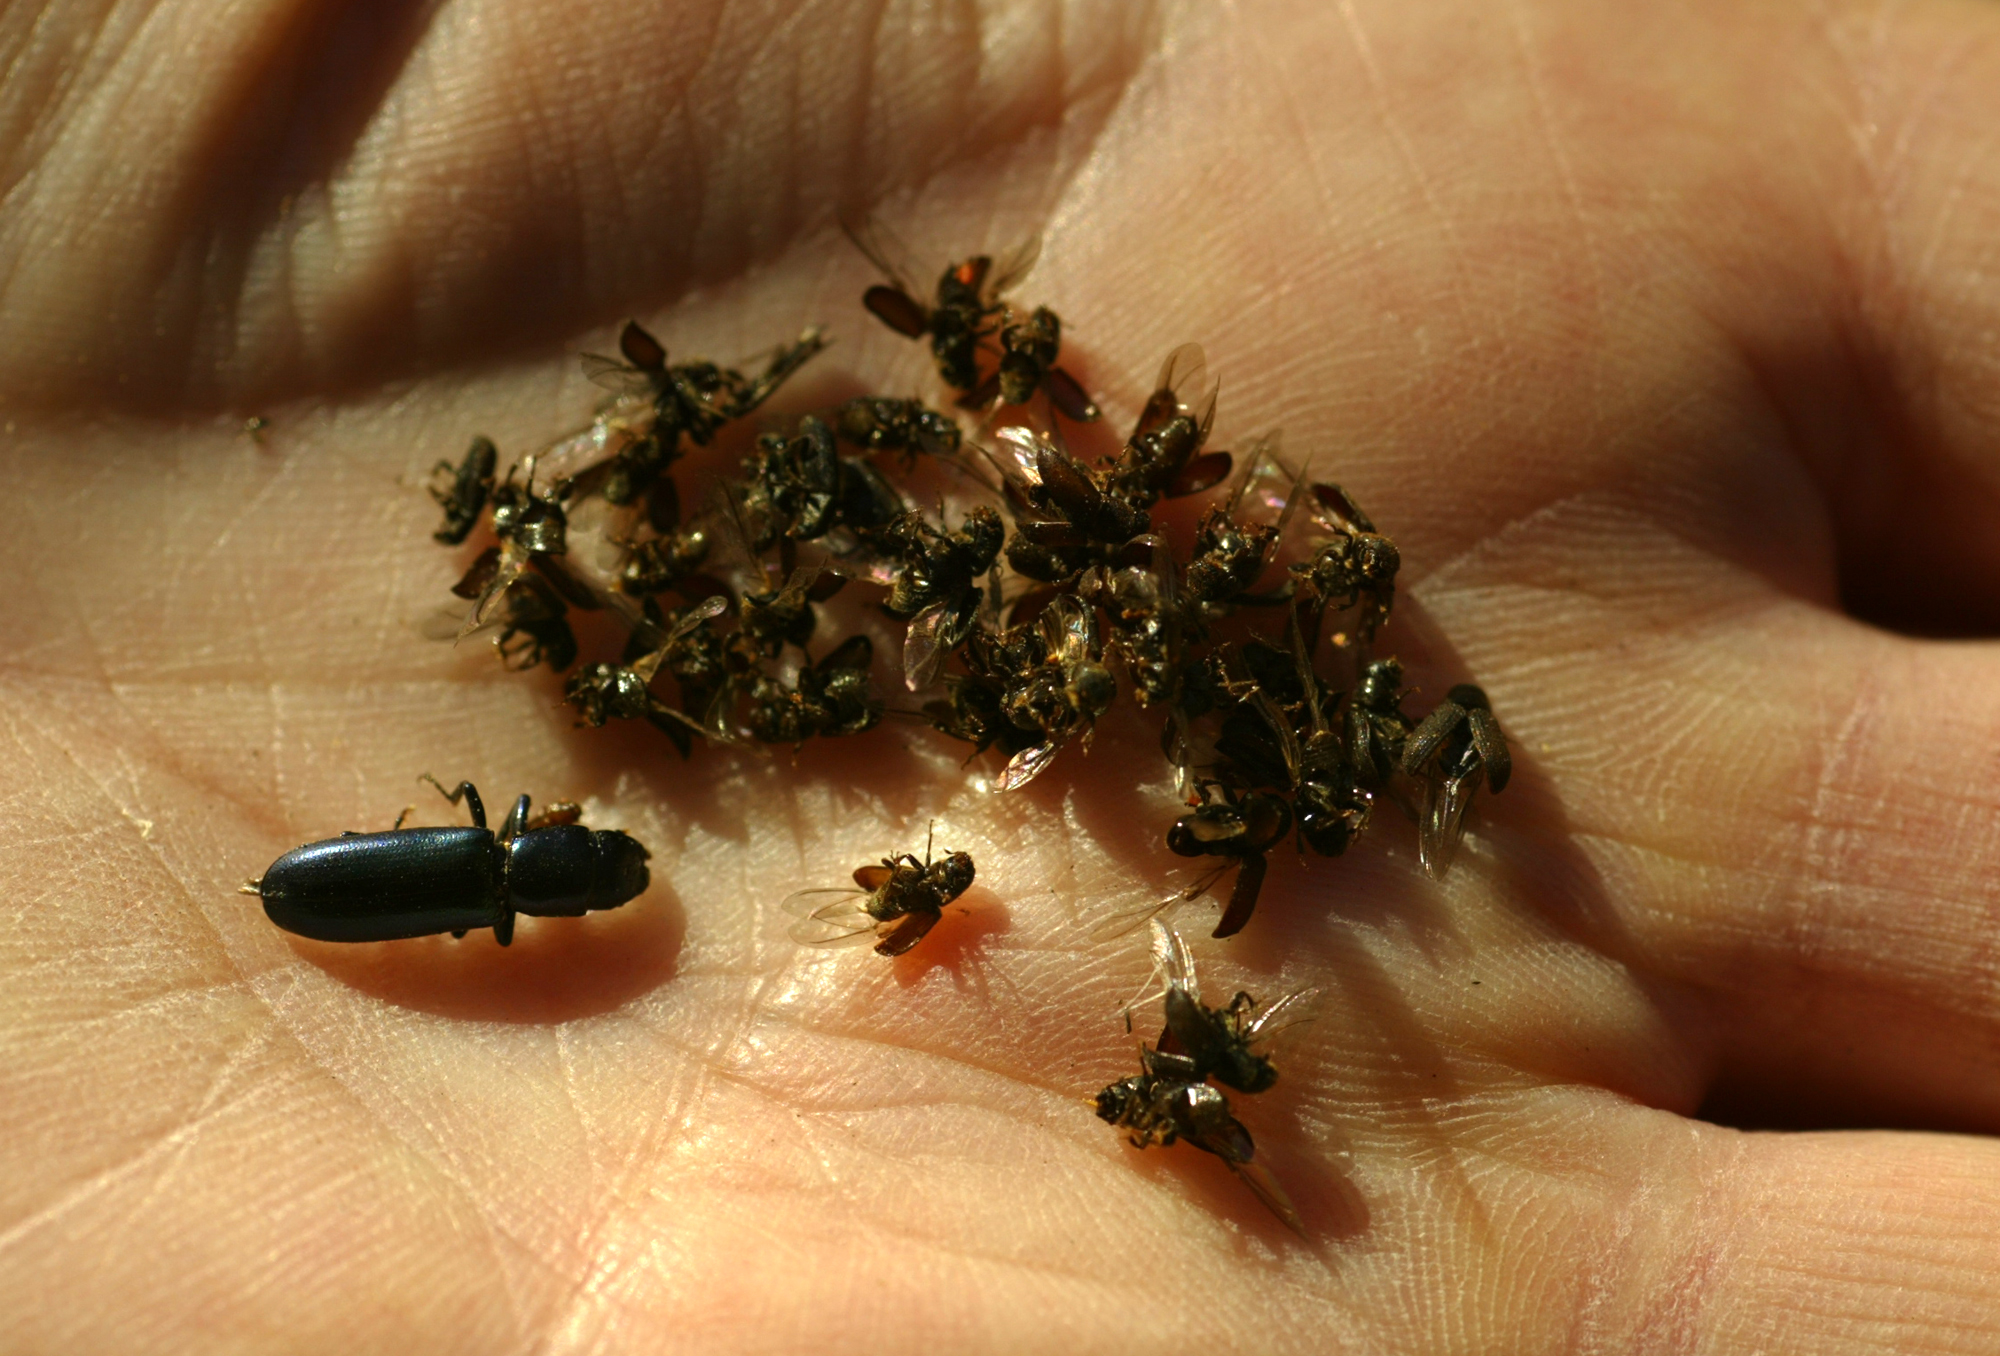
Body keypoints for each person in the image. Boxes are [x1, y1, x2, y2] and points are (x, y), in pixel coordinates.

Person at [4, 0, 1999, 1348]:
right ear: (529, 862)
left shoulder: (529, 844)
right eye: (566, 863)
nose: (571, 865)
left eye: (571, 869)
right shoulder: (518, 859)